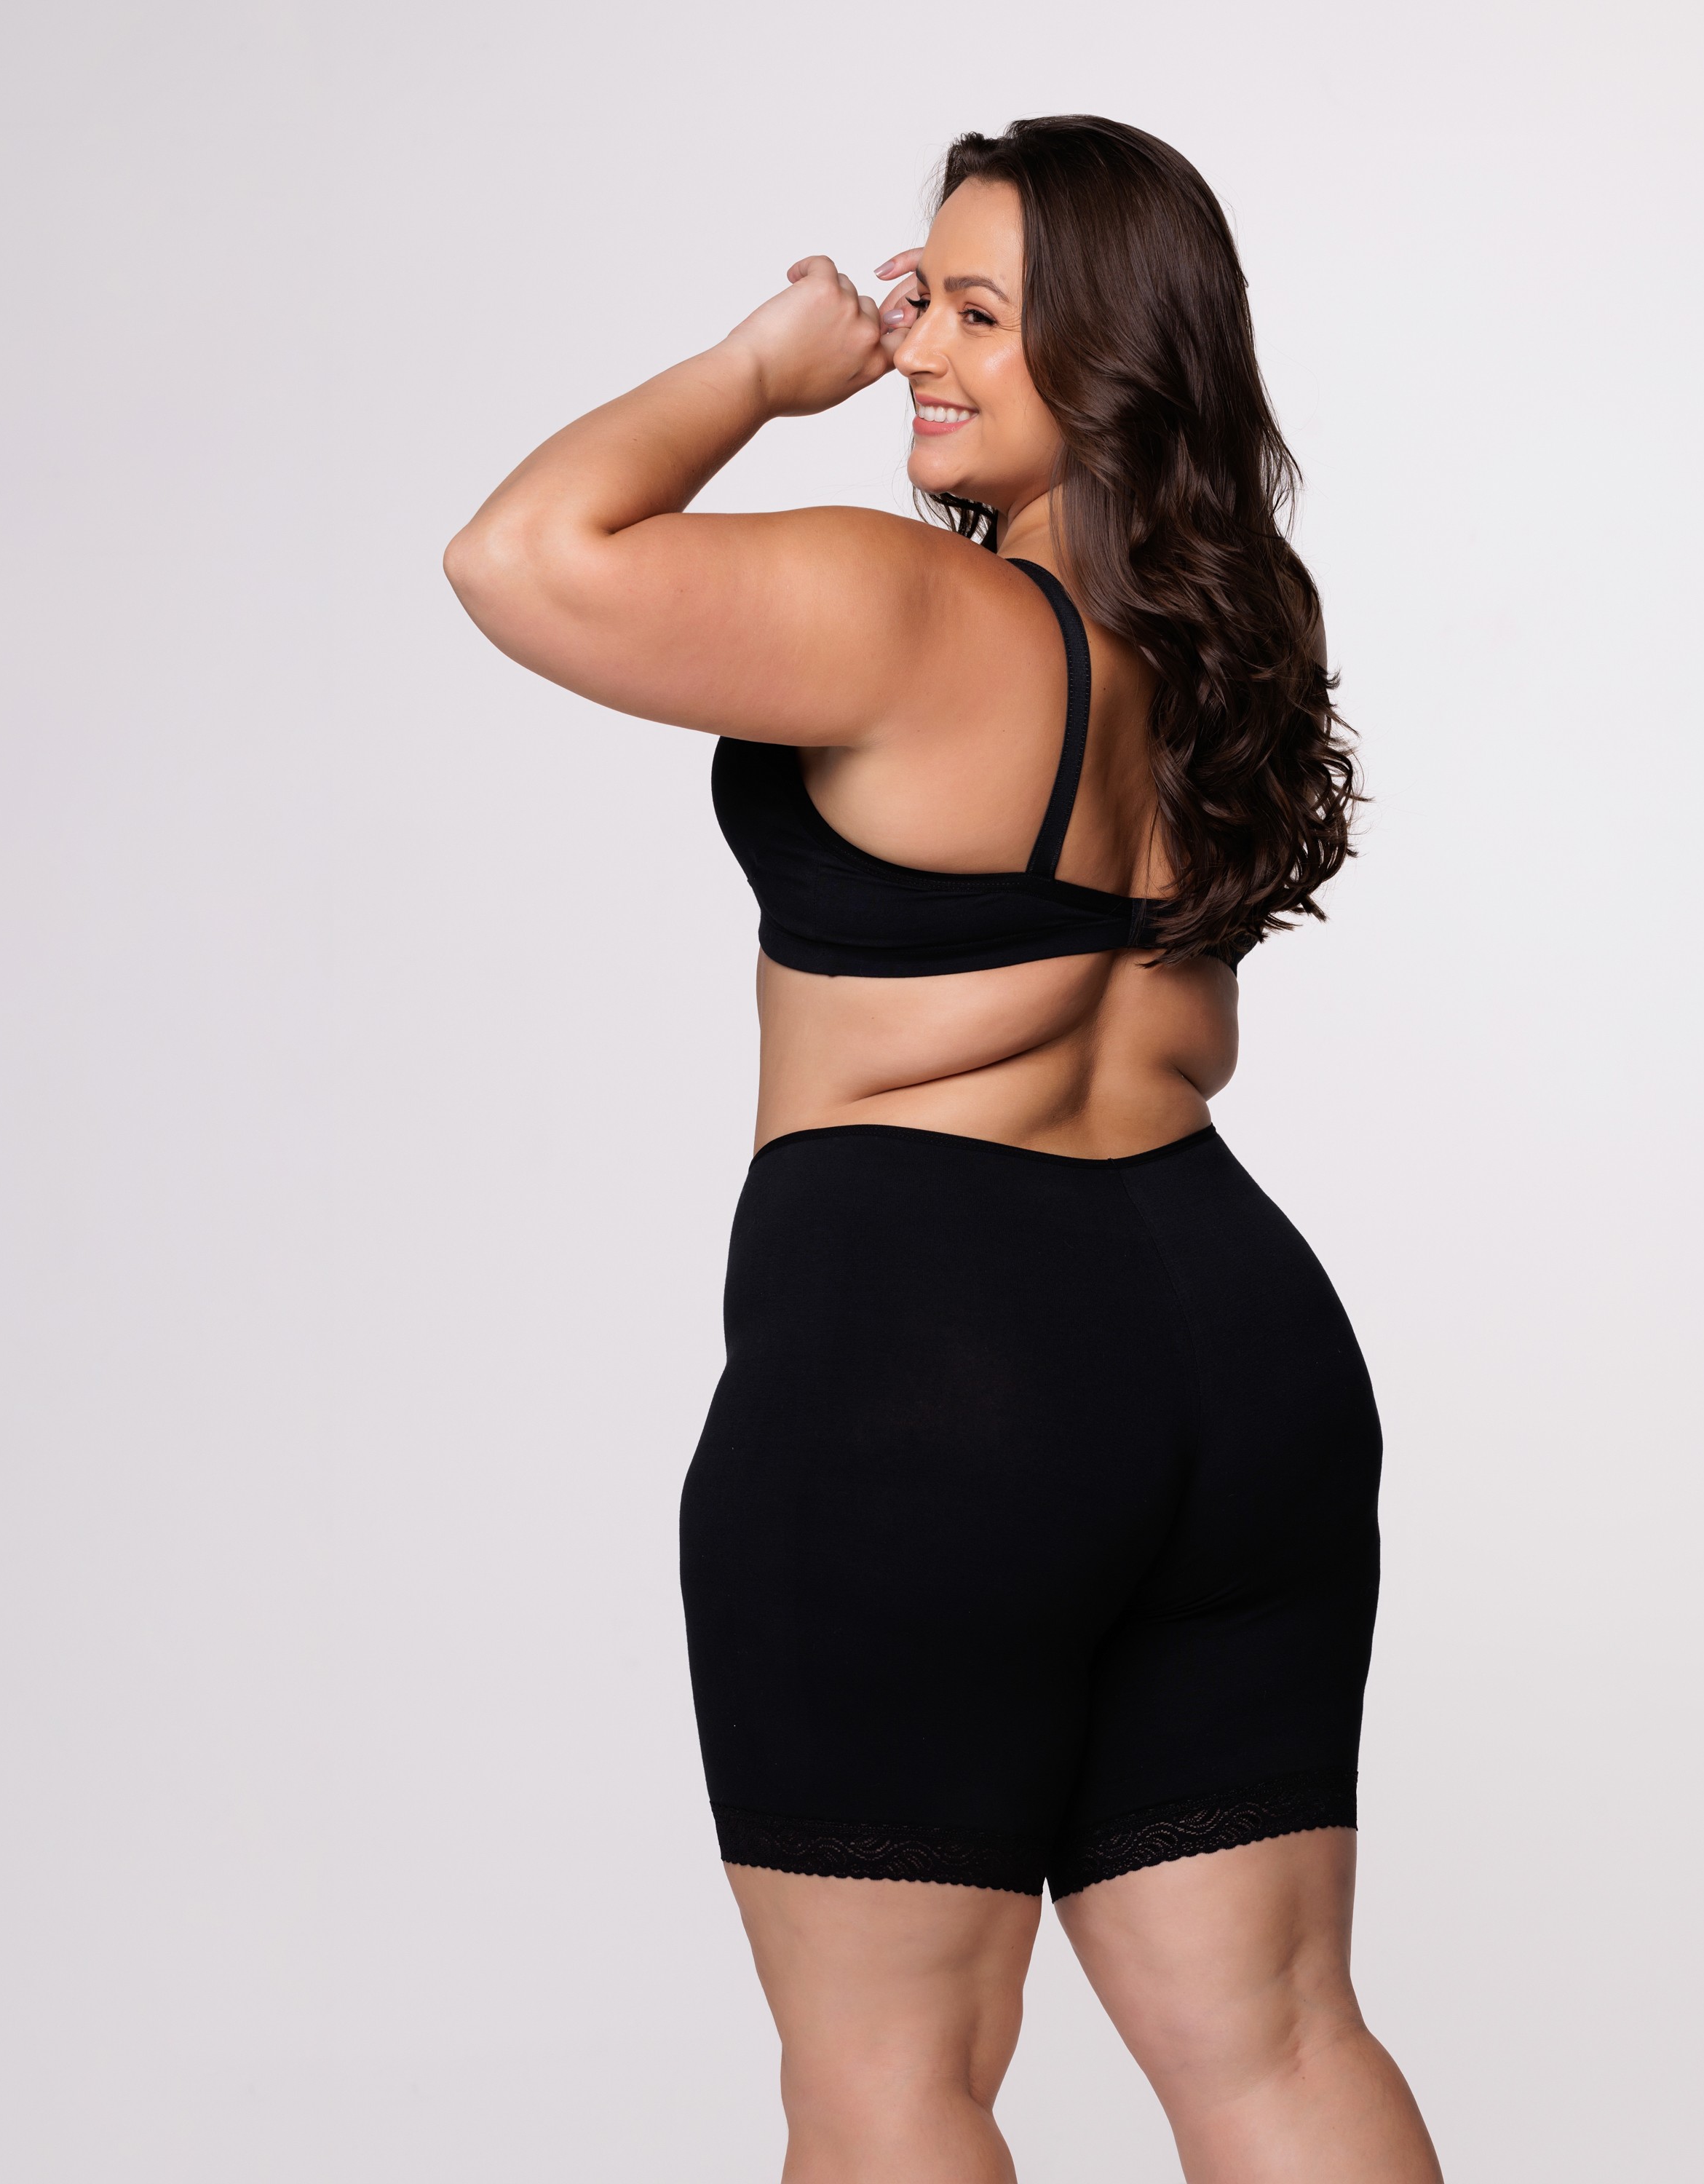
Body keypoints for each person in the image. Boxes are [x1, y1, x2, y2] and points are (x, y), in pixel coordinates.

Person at [445, 114, 1441, 2184]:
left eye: (982, 314)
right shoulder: (1227, 660)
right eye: (921, 302)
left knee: (890, 2079)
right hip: (1239, 1357)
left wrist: (758, 369)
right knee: (1274, 2047)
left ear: (1116, 355)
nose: (914, 347)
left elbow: (522, 556)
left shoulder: (901, 608)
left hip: (933, 1361)